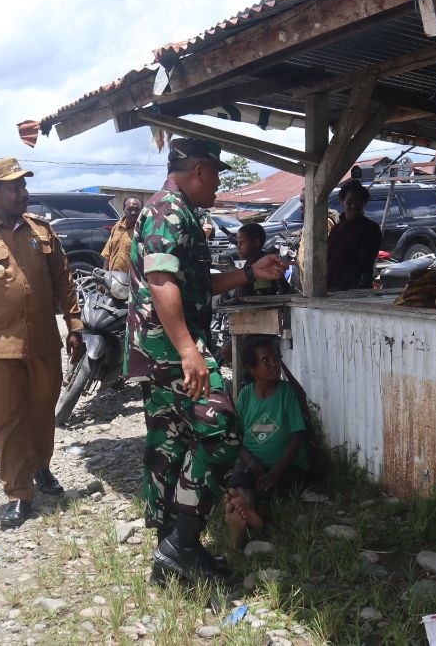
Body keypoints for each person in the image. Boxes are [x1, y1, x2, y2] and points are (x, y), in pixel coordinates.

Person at [126, 136, 286, 584]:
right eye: (216, 174)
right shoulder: (168, 212)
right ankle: (182, 544)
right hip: (171, 350)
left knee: (170, 438)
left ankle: (169, 548)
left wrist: (251, 271)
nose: (218, 185)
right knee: (222, 431)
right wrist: (187, 350)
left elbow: (193, 284)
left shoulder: (181, 213)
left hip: (163, 351)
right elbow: (160, 281)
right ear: (199, 170)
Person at [0, 158, 84, 529]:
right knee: (8, 421)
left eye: (24, 186)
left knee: (43, 412)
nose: (23, 193)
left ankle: (40, 465)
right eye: (15, 188)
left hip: (43, 342)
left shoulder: (41, 230)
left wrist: (74, 324)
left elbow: (64, 279)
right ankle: (18, 492)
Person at [224, 338, 310, 548]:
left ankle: (252, 517)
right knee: (242, 484)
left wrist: (275, 472)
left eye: (276, 358)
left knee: (270, 488)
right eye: (266, 360)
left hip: (286, 467)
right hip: (253, 463)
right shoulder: (245, 396)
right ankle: (244, 512)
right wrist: (251, 462)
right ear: (252, 368)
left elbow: (299, 436)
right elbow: (238, 438)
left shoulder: (286, 393)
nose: (275, 363)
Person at [326, 179, 381, 291]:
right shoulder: (336, 229)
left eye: (358, 202)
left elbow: (363, 265)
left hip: (357, 292)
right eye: (349, 201)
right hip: (331, 290)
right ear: (342, 201)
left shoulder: (370, 229)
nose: (353, 206)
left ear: (364, 203)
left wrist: (342, 288)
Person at [102, 197, 143, 272]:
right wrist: (104, 273)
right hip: (114, 277)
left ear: (141, 211)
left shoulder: (143, 231)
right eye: (130, 209)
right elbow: (108, 253)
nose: (133, 212)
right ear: (124, 209)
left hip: (131, 280)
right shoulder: (117, 227)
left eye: (137, 210)